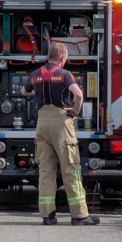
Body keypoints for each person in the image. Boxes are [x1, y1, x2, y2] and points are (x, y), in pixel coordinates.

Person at [22, 42, 100, 226]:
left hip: (42, 123)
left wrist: (37, 94)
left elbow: (24, 91)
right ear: (63, 57)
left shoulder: (35, 74)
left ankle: (47, 215)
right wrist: (75, 110)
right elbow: (78, 94)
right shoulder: (64, 74)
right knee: (70, 168)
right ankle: (79, 215)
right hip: (61, 122)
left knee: (45, 171)